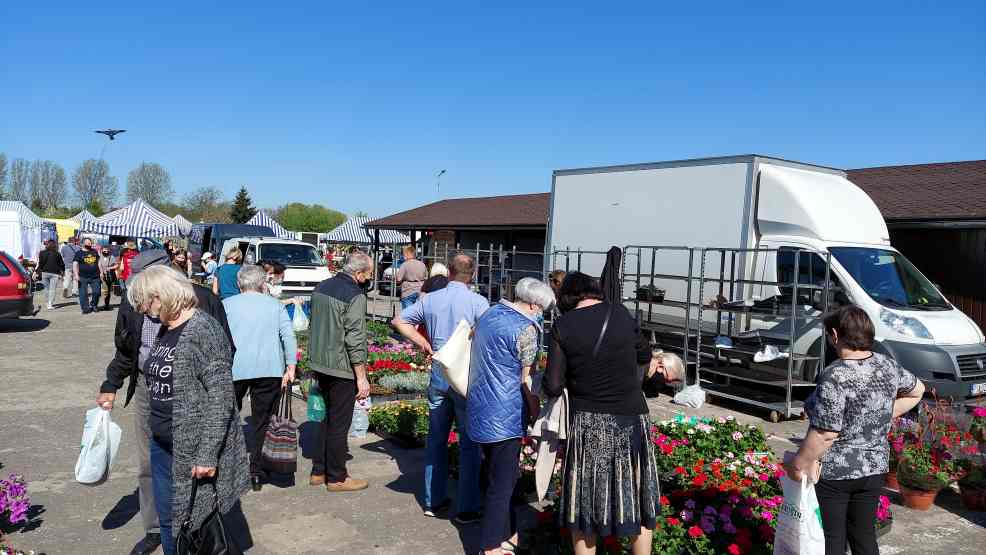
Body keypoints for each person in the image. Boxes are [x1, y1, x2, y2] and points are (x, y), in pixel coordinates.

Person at [96, 249, 234, 555]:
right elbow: (128, 348)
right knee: (166, 503)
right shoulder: (163, 322)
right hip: (160, 426)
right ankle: (159, 533)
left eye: (147, 300)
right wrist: (112, 383)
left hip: (187, 432)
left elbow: (220, 393)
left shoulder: (201, 320)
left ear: (163, 290)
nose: (142, 308)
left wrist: (208, 452)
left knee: (190, 513)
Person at [543, 272, 677, 555]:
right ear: (595, 291)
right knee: (639, 497)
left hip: (590, 422)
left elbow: (553, 385)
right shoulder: (621, 314)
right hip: (632, 418)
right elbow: (644, 355)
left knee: (586, 504)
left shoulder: (562, 326)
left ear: (566, 297)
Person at [784, 306, 924, 555]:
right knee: (864, 537)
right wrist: (880, 414)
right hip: (874, 469)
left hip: (837, 473)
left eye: (828, 335)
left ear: (835, 335)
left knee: (832, 538)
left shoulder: (835, 374)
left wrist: (799, 463)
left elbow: (825, 433)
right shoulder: (887, 365)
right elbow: (918, 390)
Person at [391, 253, 489, 523]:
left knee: (436, 439)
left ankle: (433, 501)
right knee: (469, 443)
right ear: (474, 273)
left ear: (448, 273)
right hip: (464, 376)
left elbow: (399, 321)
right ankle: (467, 507)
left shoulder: (431, 299)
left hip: (438, 372)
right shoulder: (478, 302)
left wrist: (422, 342)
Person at [468, 278, 555, 554]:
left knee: (494, 475)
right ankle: (491, 545)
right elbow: (525, 379)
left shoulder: (490, 313)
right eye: (543, 309)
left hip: (479, 406)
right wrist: (535, 408)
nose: (542, 314)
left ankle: (509, 533)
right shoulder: (526, 329)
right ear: (533, 304)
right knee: (503, 484)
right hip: (505, 414)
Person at [222, 264, 297, 491]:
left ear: (239, 283)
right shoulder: (274, 305)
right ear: (263, 283)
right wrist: (291, 366)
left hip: (234, 368)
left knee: (226, 418)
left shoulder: (226, 305)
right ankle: (256, 471)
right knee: (262, 421)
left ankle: (226, 467)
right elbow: (288, 336)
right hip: (269, 368)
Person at [307, 251, 374, 492]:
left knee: (325, 419)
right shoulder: (355, 295)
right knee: (339, 423)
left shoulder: (322, 286)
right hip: (340, 366)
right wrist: (362, 376)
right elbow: (355, 338)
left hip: (319, 361)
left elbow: (313, 323)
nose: (369, 278)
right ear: (358, 274)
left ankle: (319, 470)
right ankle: (336, 477)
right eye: (368, 274)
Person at [74, 238, 102, 314]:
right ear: (83, 243)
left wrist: (101, 272)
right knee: (83, 294)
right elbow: (75, 264)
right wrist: (76, 275)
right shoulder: (78, 253)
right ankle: (85, 308)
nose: (89, 244)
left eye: (90, 243)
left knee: (97, 292)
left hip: (95, 276)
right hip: (83, 276)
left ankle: (94, 305)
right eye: (87, 243)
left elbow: (99, 262)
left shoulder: (94, 251)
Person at [396, 245, 427, 309]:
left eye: (404, 254)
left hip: (408, 292)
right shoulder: (422, 264)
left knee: (407, 316)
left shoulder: (404, 264)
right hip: (420, 291)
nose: (403, 256)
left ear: (407, 254)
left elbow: (398, 279)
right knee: (418, 315)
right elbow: (426, 277)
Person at [37, 240, 65, 310]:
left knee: (46, 289)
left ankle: (47, 302)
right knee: (52, 289)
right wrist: (62, 272)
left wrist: (38, 271)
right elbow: (61, 264)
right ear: (55, 245)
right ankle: (50, 303)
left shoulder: (42, 253)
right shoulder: (57, 254)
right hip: (55, 273)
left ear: (47, 245)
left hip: (45, 272)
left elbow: (40, 263)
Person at [98, 246, 118, 312]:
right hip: (101, 275)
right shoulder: (100, 257)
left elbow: (116, 265)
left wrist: (110, 268)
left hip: (109, 276)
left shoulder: (111, 257)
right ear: (102, 251)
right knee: (104, 290)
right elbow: (99, 265)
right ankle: (102, 304)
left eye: (107, 251)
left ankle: (106, 304)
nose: (106, 252)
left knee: (108, 290)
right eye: (104, 251)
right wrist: (101, 272)